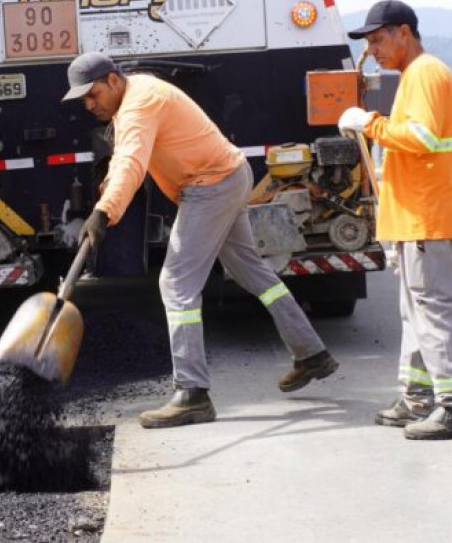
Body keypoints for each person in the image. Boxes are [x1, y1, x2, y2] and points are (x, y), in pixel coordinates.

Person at [65, 52, 339, 429]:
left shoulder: (139, 104)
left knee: (176, 283)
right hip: (229, 175)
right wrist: (105, 203)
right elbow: (122, 160)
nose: (89, 104)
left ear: (113, 80)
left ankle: (192, 393)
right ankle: (311, 353)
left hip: (210, 186)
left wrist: (104, 211)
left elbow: (130, 161)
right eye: (83, 99)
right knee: (252, 272)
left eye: (92, 94)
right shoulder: (137, 94)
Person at [339, 0, 452, 440]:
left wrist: (369, 123)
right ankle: (417, 398)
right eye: (369, 43)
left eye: (379, 39)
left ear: (404, 32)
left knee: (433, 311)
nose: (373, 50)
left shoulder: (424, 73)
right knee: (416, 312)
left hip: (427, 217)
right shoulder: (419, 75)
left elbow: (421, 138)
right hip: (421, 217)